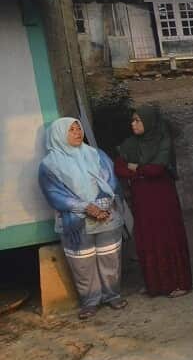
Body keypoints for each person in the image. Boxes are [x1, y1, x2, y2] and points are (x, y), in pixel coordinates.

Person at [38, 117, 129, 319]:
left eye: (78, 128)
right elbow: (54, 193)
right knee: (82, 263)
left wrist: (102, 205)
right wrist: (87, 207)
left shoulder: (96, 154)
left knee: (110, 257)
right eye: (71, 130)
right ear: (58, 135)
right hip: (75, 221)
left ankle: (112, 295)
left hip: (105, 216)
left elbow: (111, 180)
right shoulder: (49, 165)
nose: (78, 133)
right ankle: (90, 301)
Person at [115, 105, 193, 297]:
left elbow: (157, 169)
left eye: (138, 120)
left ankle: (177, 282)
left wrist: (135, 169)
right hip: (142, 198)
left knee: (166, 235)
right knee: (147, 237)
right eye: (132, 120)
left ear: (148, 122)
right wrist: (141, 169)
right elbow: (119, 167)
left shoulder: (162, 140)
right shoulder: (130, 144)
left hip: (161, 196)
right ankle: (155, 284)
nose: (133, 124)